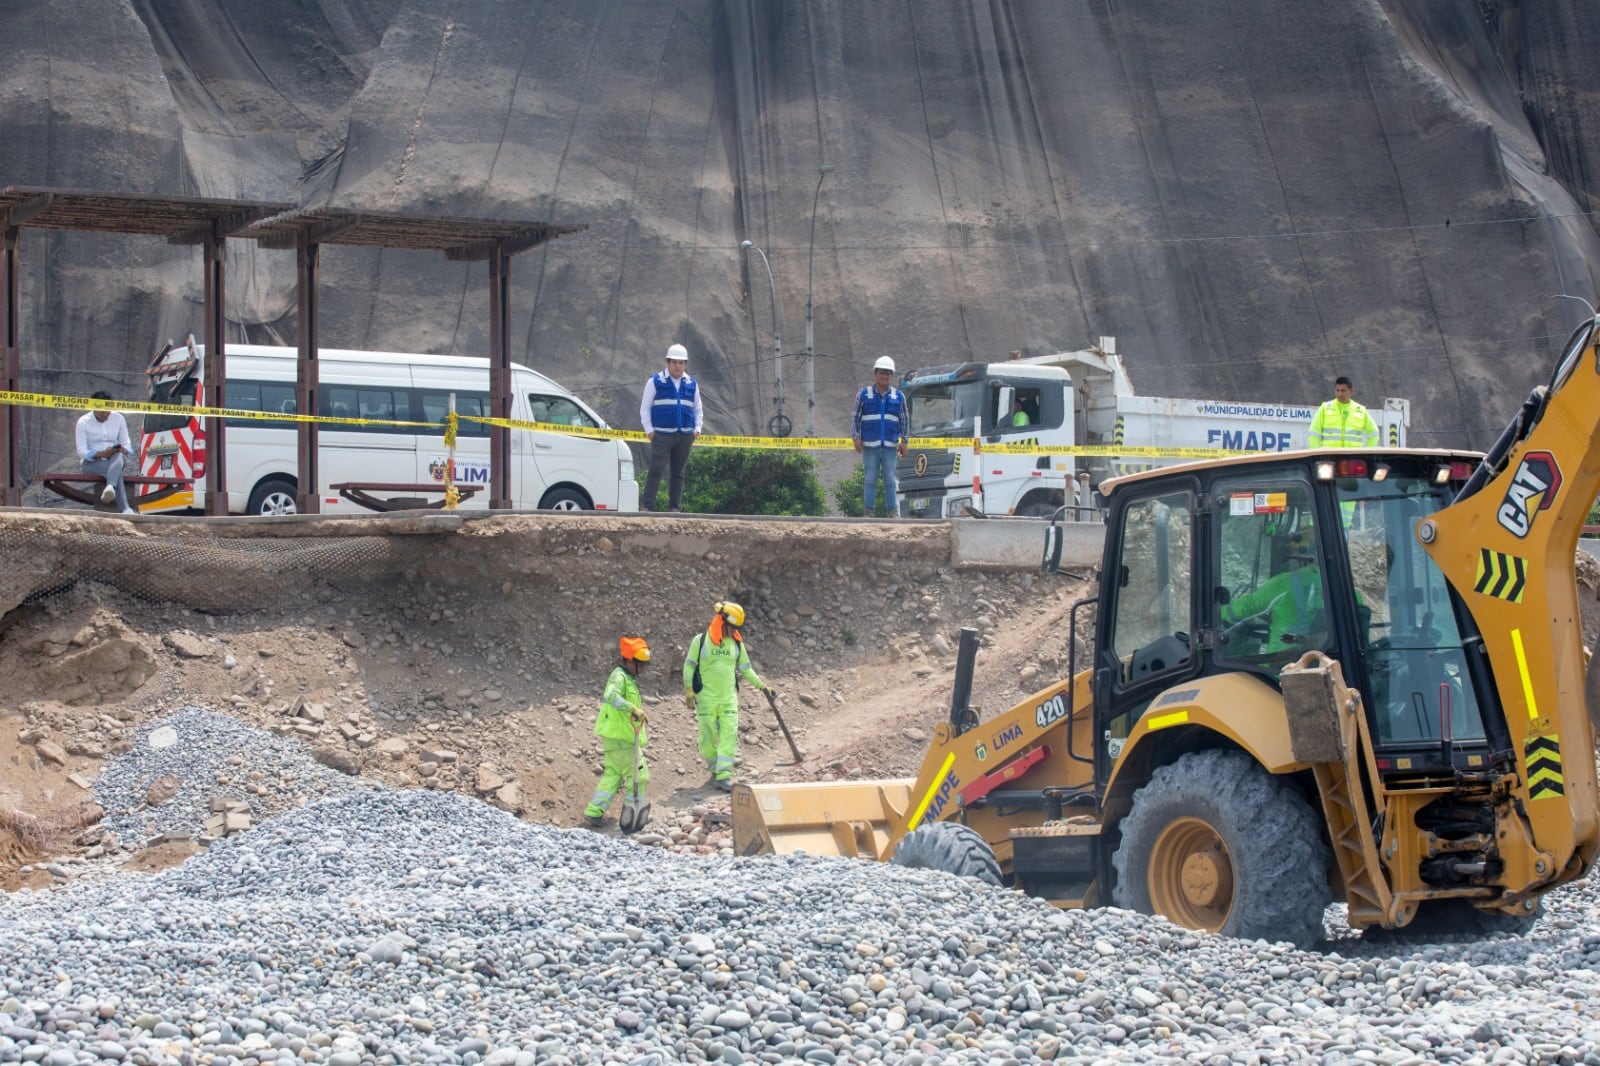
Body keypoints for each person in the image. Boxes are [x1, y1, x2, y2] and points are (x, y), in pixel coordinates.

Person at [683, 601, 773, 791]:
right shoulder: (700, 641)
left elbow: (746, 669)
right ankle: (715, 768)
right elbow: (689, 666)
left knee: (729, 735)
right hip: (706, 699)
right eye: (732, 627)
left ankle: (724, 775)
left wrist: (762, 686)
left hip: (728, 699)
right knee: (707, 738)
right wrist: (689, 690)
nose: (734, 631)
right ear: (721, 621)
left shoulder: (737, 644)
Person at [1219, 528, 1325, 656]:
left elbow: (1247, 607)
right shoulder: (1336, 585)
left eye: (1289, 552)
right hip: (1323, 660)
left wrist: (1218, 612)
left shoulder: (1287, 582)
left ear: (1302, 556)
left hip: (1282, 665)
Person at [583, 636, 652, 828]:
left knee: (613, 774)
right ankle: (632, 814)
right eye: (641, 664)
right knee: (640, 774)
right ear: (630, 661)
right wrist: (633, 708)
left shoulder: (626, 678)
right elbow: (610, 696)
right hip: (622, 737)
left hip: (615, 736)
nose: (644, 668)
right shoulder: (619, 676)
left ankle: (594, 811)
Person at [639, 343, 702, 512]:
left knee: (678, 473)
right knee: (656, 470)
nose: (678, 366)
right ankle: (648, 506)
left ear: (685, 364)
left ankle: (674, 508)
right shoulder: (655, 382)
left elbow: (698, 409)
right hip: (662, 435)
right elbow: (645, 408)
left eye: (681, 363)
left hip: (684, 435)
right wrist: (650, 431)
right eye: (674, 362)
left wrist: (697, 429)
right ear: (668, 363)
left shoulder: (692, 384)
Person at [852, 355, 909, 516]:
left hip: (890, 446)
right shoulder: (864, 394)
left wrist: (904, 441)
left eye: (888, 373)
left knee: (890, 480)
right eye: (881, 372)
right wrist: (856, 437)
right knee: (870, 480)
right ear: (875, 374)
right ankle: (868, 512)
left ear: (892, 376)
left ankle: (892, 512)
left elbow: (904, 419)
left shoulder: (898, 396)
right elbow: (855, 416)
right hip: (870, 445)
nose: (884, 376)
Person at [75, 390, 137, 515]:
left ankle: (111, 488)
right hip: (92, 463)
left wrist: (123, 449)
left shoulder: (118, 418)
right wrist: (100, 454)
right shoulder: (83, 422)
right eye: (102, 410)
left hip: (115, 458)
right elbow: (81, 451)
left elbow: (127, 445)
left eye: (108, 410)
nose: (105, 414)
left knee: (117, 456)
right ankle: (124, 507)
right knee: (115, 472)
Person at [1309, 376, 1379, 448]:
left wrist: (1367, 453)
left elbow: (1373, 433)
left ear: (1351, 391)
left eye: (1343, 390)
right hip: (1330, 456)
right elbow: (1314, 432)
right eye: (1337, 390)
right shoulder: (1325, 408)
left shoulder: (1360, 410)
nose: (1340, 394)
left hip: (1352, 456)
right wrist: (1317, 453)